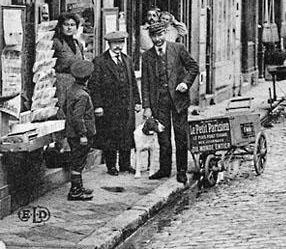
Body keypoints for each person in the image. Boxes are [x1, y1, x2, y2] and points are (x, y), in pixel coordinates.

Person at [141, 22, 199, 184]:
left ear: (165, 33)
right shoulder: (147, 56)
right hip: (159, 103)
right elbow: (145, 82)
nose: (157, 39)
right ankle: (164, 169)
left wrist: (186, 83)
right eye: (154, 36)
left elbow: (194, 67)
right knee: (163, 138)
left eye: (160, 35)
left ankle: (181, 171)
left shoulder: (178, 48)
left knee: (181, 136)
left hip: (178, 101)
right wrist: (147, 106)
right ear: (150, 37)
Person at [90, 31, 142, 176]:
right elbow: (95, 86)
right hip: (109, 106)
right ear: (109, 44)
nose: (118, 47)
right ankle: (111, 166)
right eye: (115, 43)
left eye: (121, 43)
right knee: (110, 137)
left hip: (126, 105)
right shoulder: (100, 61)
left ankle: (125, 165)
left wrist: (137, 101)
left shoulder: (127, 60)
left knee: (126, 135)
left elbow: (132, 82)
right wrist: (98, 105)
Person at [65, 60, 96, 201]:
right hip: (79, 135)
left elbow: (66, 109)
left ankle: (79, 187)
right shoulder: (83, 95)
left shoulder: (72, 89)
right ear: (88, 78)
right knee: (79, 162)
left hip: (72, 133)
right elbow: (78, 117)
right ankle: (75, 191)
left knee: (78, 160)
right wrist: (83, 134)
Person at [52, 12, 85, 120]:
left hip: (76, 83)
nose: (69, 28)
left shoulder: (77, 44)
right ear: (61, 26)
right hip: (60, 84)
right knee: (63, 114)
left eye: (72, 25)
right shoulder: (56, 42)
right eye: (66, 24)